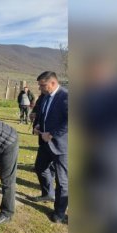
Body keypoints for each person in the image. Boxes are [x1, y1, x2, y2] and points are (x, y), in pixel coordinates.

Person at [32, 71, 68, 223]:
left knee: (63, 181)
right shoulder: (46, 96)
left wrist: (52, 134)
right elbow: (43, 114)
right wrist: (38, 124)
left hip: (61, 146)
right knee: (40, 167)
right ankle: (48, 193)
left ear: (52, 83)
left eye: (42, 85)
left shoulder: (66, 96)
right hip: (45, 143)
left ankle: (59, 212)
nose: (40, 88)